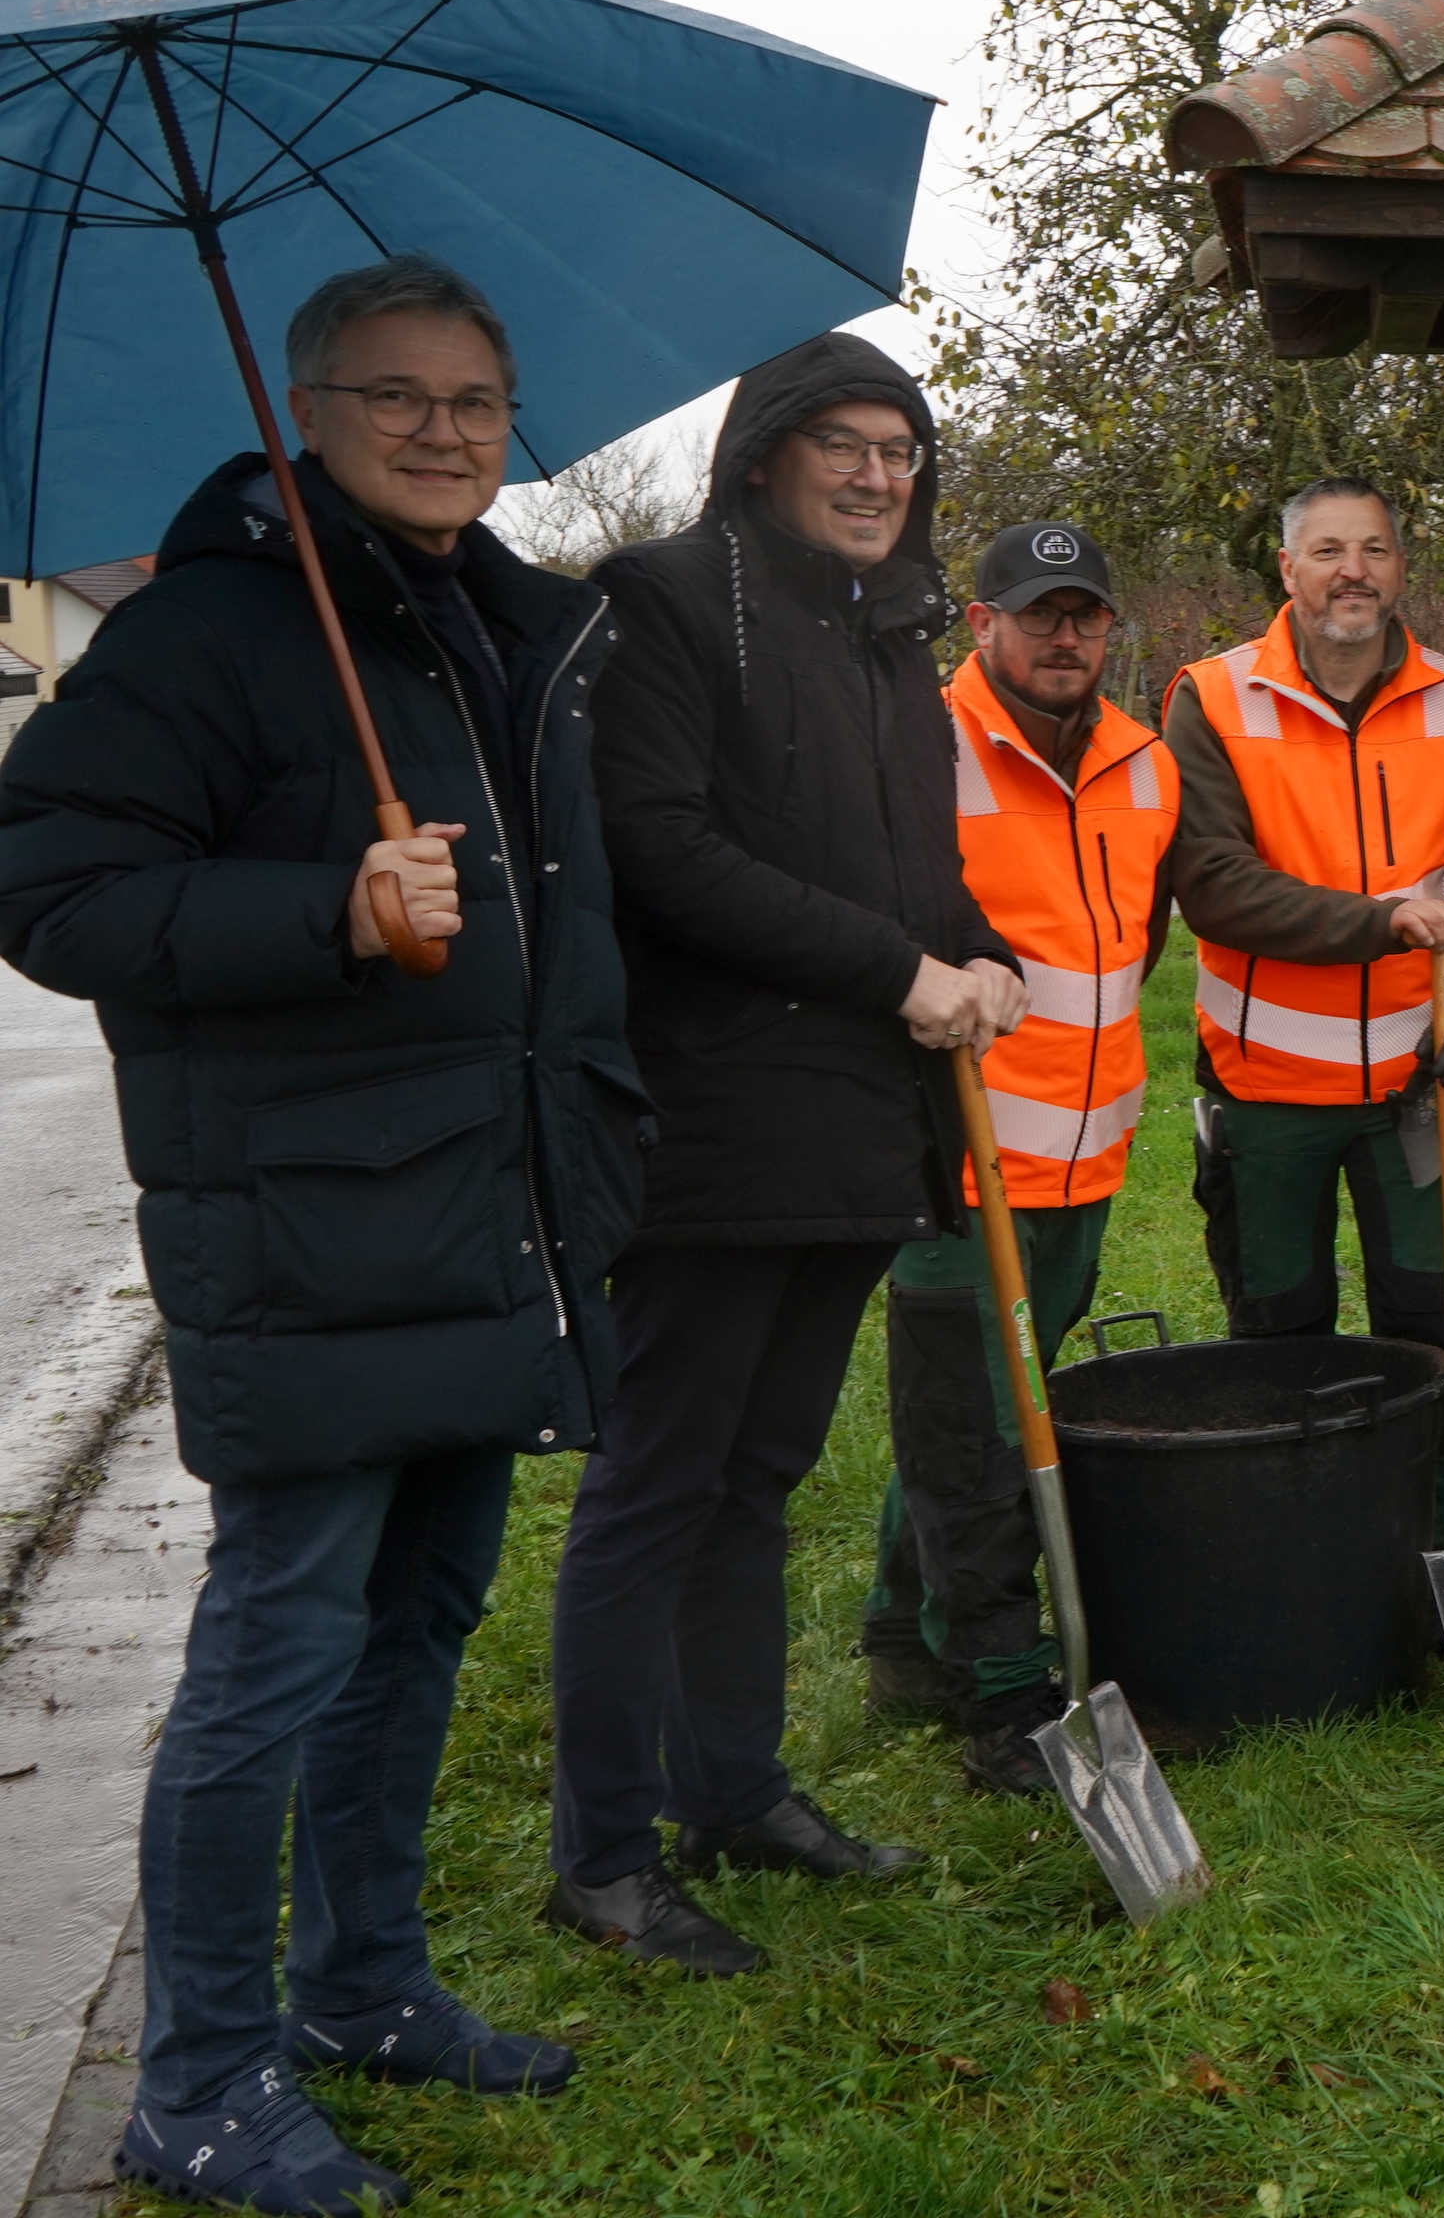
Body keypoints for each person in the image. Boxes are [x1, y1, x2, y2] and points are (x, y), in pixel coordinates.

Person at [0, 255, 618, 2211]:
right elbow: (53, 888)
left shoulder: (495, 630)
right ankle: (194, 2076)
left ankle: (361, 1985)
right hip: (313, 1230)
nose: (442, 431)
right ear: (309, 414)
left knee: (419, 1623)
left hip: (481, 1208)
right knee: (279, 1644)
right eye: (396, 396)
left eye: (472, 400)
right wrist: (323, 913)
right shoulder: (210, 638)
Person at [545, 333, 1022, 1976]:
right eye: (845, 441)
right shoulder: (672, 599)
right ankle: (601, 1855)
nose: (880, 472)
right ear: (765, 452)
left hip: (858, 1129)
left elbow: (911, 864)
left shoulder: (891, 634)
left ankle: (731, 1789)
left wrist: (977, 946)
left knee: (758, 1478)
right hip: (714, 1121)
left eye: (901, 445)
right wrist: (904, 971)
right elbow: (661, 844)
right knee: (661, 1482)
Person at [857, 521, 1174, 1797]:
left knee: (980, 1408)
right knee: (981, 1433)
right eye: (1037, 613)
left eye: (1084, 614)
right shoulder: (917, 746)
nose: (1063, 637)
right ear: (980, 624)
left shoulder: (1145, 761)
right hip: (953, 1153)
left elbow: (1139, 937)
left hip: (1082, 1155)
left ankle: (900, 1633)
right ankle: (1000, 1689)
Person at [1165, 477, 1444, 1352]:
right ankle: (1299, 1493)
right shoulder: (1210, 696)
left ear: (1400, 570)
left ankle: (1435, 1497)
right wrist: (1382, 920)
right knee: (1279, 1340)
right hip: (1265, 1090)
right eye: (1327, 551)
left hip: (1424, 1083)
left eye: (1374, 550)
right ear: (1288, 569)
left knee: (1434, 1332)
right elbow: (1211, 883)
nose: (1352, 572)